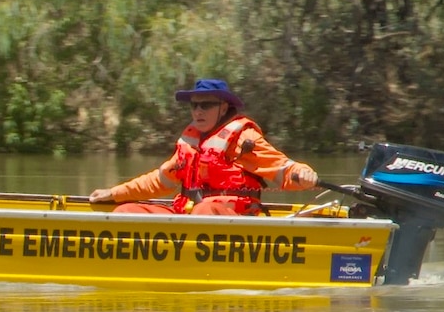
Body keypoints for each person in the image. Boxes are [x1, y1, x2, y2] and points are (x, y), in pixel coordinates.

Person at [88, 79, 318, 215]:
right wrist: (114, 193)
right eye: (194, 105)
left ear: (224, 107)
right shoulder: (190, 142)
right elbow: (159, 181)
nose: (198, 111)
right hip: (191, 215)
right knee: (126, 211)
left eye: (206, 105)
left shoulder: (243, 138)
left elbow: (282, 168)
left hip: (231, 218)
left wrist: (303, 173)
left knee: (205, 210)